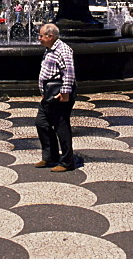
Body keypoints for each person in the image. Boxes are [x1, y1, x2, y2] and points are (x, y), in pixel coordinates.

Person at [35, 23, 76, 172]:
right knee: (41, 123)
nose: (39, 38)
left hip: (59, 94)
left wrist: (65, 93)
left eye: (41, 35)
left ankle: (67, 162)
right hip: (49, 94)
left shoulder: (63, 50)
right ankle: (50, 156)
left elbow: (69, 72)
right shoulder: (50, 49)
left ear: (50, 36)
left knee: (61, 127)